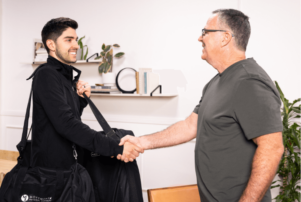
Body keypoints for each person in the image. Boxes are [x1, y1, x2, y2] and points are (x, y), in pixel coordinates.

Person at [118, 9, 284, 202]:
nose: (200, 38)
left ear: (225, 38)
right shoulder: (217, 82)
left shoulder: (249, 81)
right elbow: (190, 126)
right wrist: (141, 142)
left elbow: (272, 148)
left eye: (205, 32)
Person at [29, 17, 141, 170]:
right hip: (51, 173)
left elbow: (68, 117)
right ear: (51, 44)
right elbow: (67, 125)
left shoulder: (65, 76)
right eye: (68, 40)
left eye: (75, 39)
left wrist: (80, 100)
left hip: (70, 167)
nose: (76, 45)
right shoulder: (46, 75)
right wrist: (117, 148)